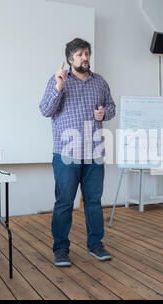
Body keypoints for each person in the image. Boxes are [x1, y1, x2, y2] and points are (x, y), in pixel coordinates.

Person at [39, 38, 116, 267]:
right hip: (66, 154)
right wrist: (59, 87)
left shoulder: (100, 82)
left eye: (87, 53)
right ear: (70, 59)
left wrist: (105, 113)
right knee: (64, 202)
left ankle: (96, 245)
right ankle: (61, 249)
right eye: (81, 54)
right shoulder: (59, 81)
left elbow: (111, 107)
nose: (85, 58)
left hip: (94, 152)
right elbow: (45, 110)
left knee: (93, 201)